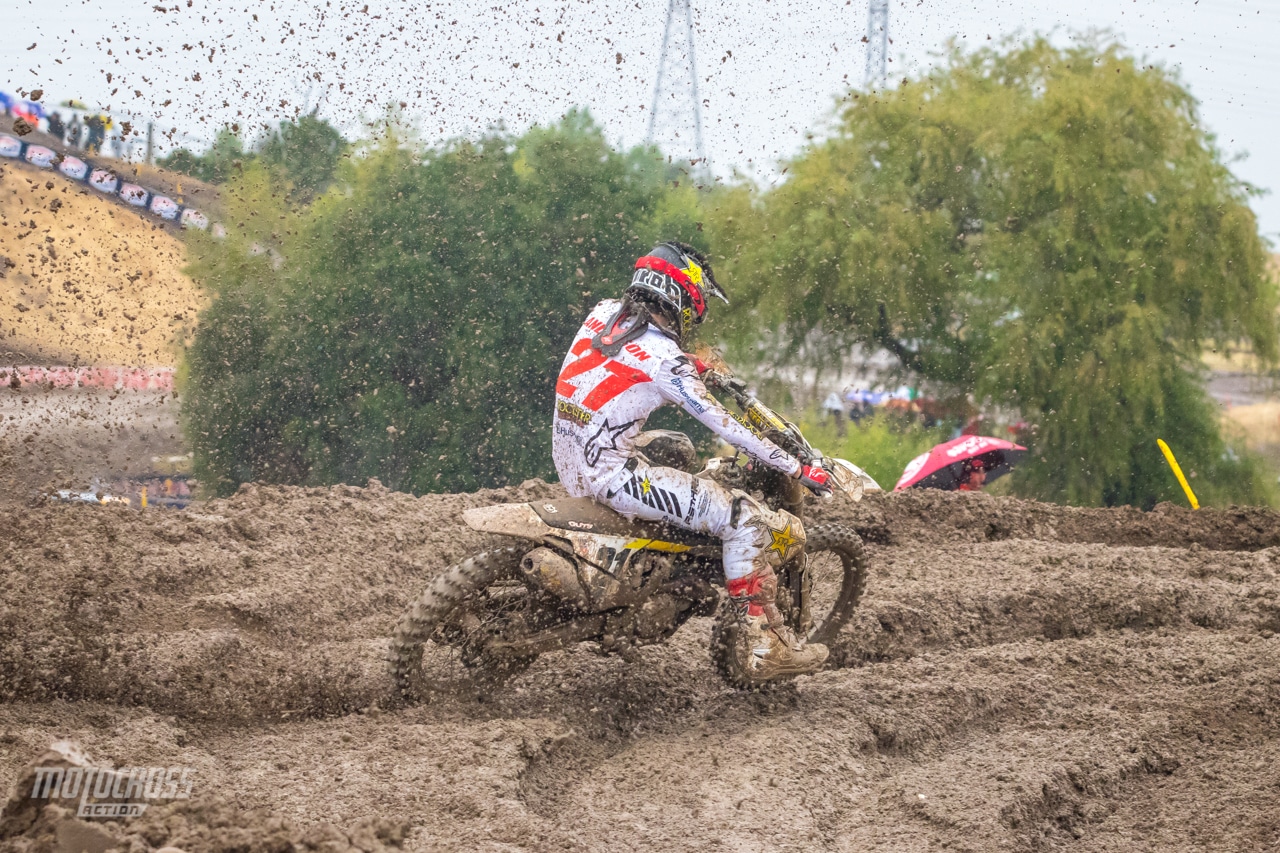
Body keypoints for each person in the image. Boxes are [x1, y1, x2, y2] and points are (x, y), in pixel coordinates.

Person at [553, 241, 833, 681]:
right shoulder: (667, 361)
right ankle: (767, 648)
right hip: (611, 476)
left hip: (571, 455)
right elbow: (728, 426)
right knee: (744, 519)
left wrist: (694, 368)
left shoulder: (604, 313)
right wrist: (796, 468)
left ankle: (650, 575)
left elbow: (629, 359)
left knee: (678, 450)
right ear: (682, 299)